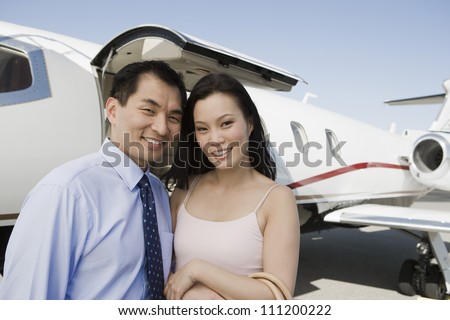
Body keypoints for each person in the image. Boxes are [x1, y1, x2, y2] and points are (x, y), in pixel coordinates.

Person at [0, 60, 187, 299]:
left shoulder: (158, 192)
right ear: (112, 110)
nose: (162, 128)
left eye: (173, 117)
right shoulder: (66, 191)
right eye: (148, 110)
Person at [163, 73, 300, 300]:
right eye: (202, 129)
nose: (215, 139)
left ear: (250, 122)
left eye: (226, 123)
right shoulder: (183, 191)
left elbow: (278, 297)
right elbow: (161, 270)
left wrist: (198, 270)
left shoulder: (277, 199)